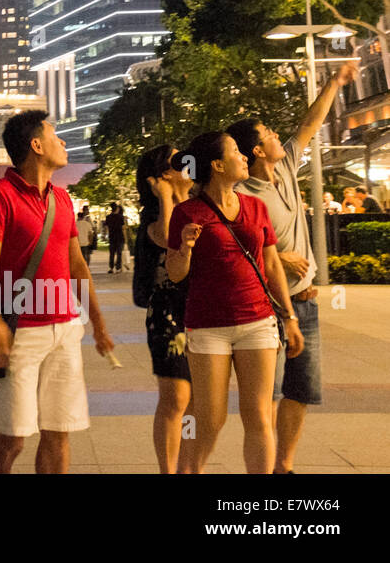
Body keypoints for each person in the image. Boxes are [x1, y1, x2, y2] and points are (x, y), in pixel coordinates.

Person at [225, 58, 355, 473]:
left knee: (301, 388)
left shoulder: (284, 166)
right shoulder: (241, 191)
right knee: (265, 392)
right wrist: (276, 256)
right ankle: (261, 465)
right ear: (256, 149)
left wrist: (334, 81)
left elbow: (309, 124)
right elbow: (224, 241)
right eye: (269, 134)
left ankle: (284, 465)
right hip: (265, 305)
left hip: (305, 300)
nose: (279, 136)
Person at [0, 110, 114, 474]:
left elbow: (77, 267)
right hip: (21, 330)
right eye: (56, 135)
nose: (63, 142)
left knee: (59, 431)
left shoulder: (62, 199)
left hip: (65, 327)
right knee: (14, 433)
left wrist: (97, 323)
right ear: (36, 145)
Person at [167, 132, 304, 474]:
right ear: (216, 165)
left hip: (258, 320)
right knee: (209, 418)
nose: (244, 157)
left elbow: (271, 264)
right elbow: (175, 273)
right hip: (208, 325)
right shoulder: (187, 212)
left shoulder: (256, 207)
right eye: (235, 152)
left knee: (258, 415)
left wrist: (289, 317)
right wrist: (185, 247)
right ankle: (188, 469)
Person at [136, 144, 195, 473]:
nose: (185, 165)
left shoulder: (193, 204)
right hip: (168, 315)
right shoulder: (152, 217)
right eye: (176, 162)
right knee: (175, 397)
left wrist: (182, 194)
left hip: (200, 311)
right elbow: (174, 240)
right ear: (160, 175)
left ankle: (188, 467)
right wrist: (165, 197)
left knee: (196, 401)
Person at [105, 203, 126, 273]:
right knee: (119, 253)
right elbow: (123, 228)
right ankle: (118, 268)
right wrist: (125, 238)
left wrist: (107, 235)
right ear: (117, 208)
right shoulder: (120, 217)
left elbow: (106, 228)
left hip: (112, 237)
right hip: (120, 237)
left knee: (112, 254)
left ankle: (111, 268)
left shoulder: (108, 217)